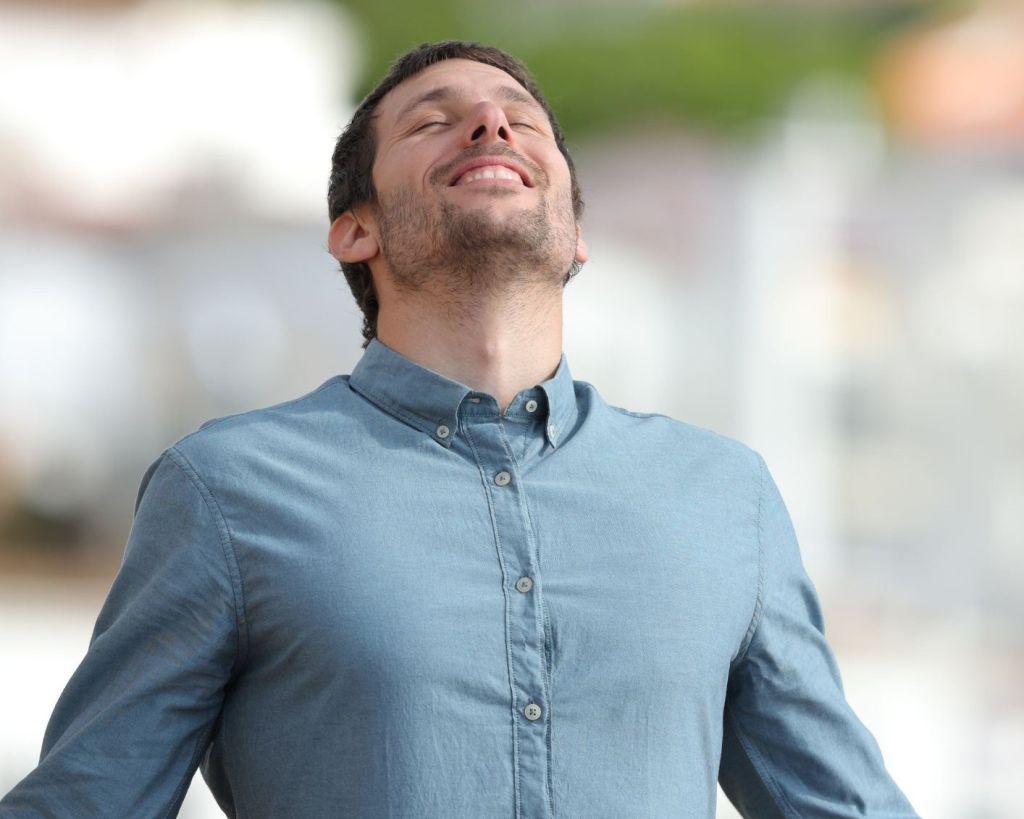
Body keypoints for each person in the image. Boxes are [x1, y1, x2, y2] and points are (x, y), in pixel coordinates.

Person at [1, 40, 918, 818]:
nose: (492, 127)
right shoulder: (225, 490)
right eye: (434, 120)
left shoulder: (724, 493)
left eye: (522, 119)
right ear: (352, 230)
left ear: (576, 232)